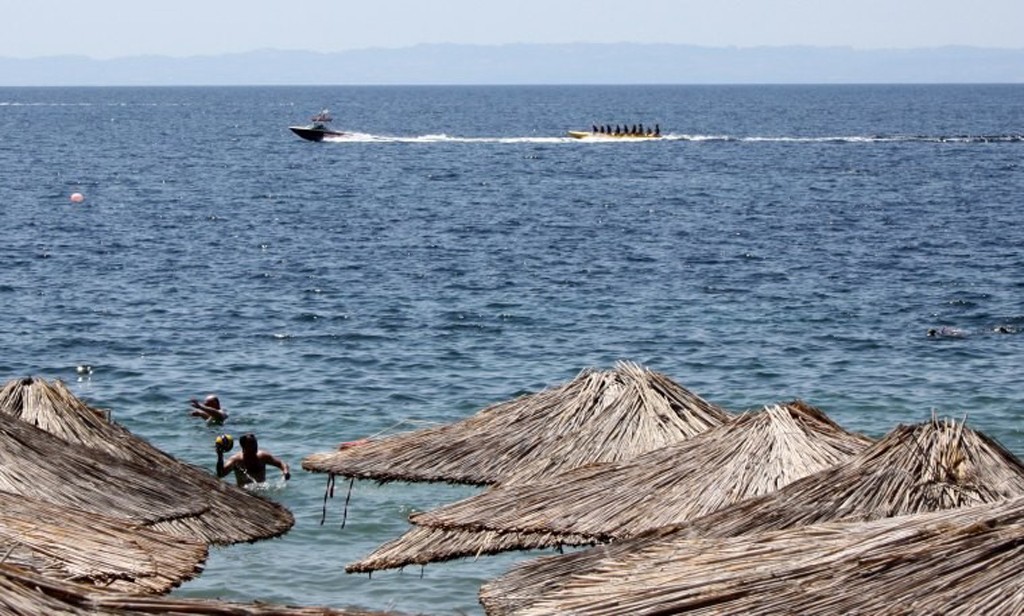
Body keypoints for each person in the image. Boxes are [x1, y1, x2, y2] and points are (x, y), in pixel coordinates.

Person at [217, 432, 290, 487]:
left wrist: (285, 471)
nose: (255, 446)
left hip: (262, 490)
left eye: (255, 442)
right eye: (251, 443)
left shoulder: (262, 456)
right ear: (244, 446)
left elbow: (281, 463)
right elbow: (221, 474)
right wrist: (220, 456)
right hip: (244, 492)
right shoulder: (236, 460)